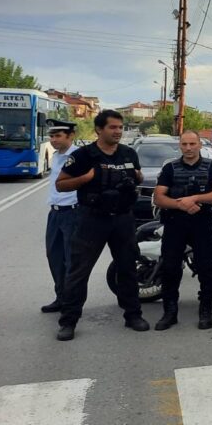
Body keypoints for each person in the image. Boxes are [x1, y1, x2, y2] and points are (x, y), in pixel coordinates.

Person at [55, 110, 148, 340]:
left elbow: (138, 176)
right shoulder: (84, 155)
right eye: (112, 127)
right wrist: (85, 179)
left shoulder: (128, 153)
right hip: (92, 218)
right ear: (99, 129)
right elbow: (61, 185)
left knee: (127, 268)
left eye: (120, 127)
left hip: (123, 219)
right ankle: (68, 321)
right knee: (78, 272)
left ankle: (133, 315)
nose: (118, 131)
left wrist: (138, 177)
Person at [152, 130, 212, 331]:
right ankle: (170, 313)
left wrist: (195, 199)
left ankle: (205, 312)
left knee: (206, 268)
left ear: (199, 145)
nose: (188, 148)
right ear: (180, 146)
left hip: (201, 223)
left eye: (192, 144)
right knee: (170, 269)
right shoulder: (170, 168)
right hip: (175, 222)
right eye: (184, 144)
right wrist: (181, 205)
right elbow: (158, 197)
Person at [41, 119, 80, 314]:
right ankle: (60, 297)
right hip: (55, 213)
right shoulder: (56, 156)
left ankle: (70, 304)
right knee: (54, 256)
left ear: (70, 136)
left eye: (58, 136)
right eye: (52, 136)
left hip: (72, 213)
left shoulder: (78, 157)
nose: (53, 140)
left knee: (70, 260)